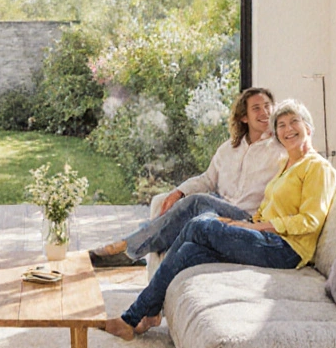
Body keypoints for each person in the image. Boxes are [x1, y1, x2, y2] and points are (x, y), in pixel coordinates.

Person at [103, 99, 336, 340]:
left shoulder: (317, 167)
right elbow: (268, 208)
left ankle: (134, 315)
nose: (288, 129)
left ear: (308, 128)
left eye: (294, 122)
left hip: (287, 249)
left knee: (199, 226)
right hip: (264, 235)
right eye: (282, 125)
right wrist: (245, 225)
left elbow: (310, 220)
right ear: (276, 133)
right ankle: (144, 315)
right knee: (189, 250)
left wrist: (252, 227)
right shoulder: (287, 164)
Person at [88, 87, 286, 267]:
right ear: (244, 117)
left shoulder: (281, 151)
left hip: (246, 218)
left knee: (196, 202)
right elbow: (206, 180)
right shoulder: (228, 149)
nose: (265, 113)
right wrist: (179, 191)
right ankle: (133, 248)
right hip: (216, 210)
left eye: (268, 107)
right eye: (257, 108)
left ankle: (126, 247)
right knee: (183, 207)